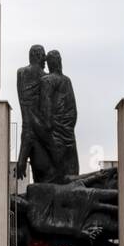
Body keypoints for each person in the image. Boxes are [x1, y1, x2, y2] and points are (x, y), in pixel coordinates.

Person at [14, 45, 53, 182]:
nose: (45, 60)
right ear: (37, 56)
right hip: (42, 139)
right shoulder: (47, 79)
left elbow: (26, 119)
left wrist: (22, 157)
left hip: (29, 137)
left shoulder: (21, 73)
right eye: (43, 56)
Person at [41, 49, 80, 179]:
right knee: (72, 172)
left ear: (50, 64)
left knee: (56, 174)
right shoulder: (67, 80)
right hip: (67, 131)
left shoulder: (46, 81)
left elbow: (45, 107)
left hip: (55, 132)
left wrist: (48, 126)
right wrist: (68, 126)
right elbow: (73, 110)